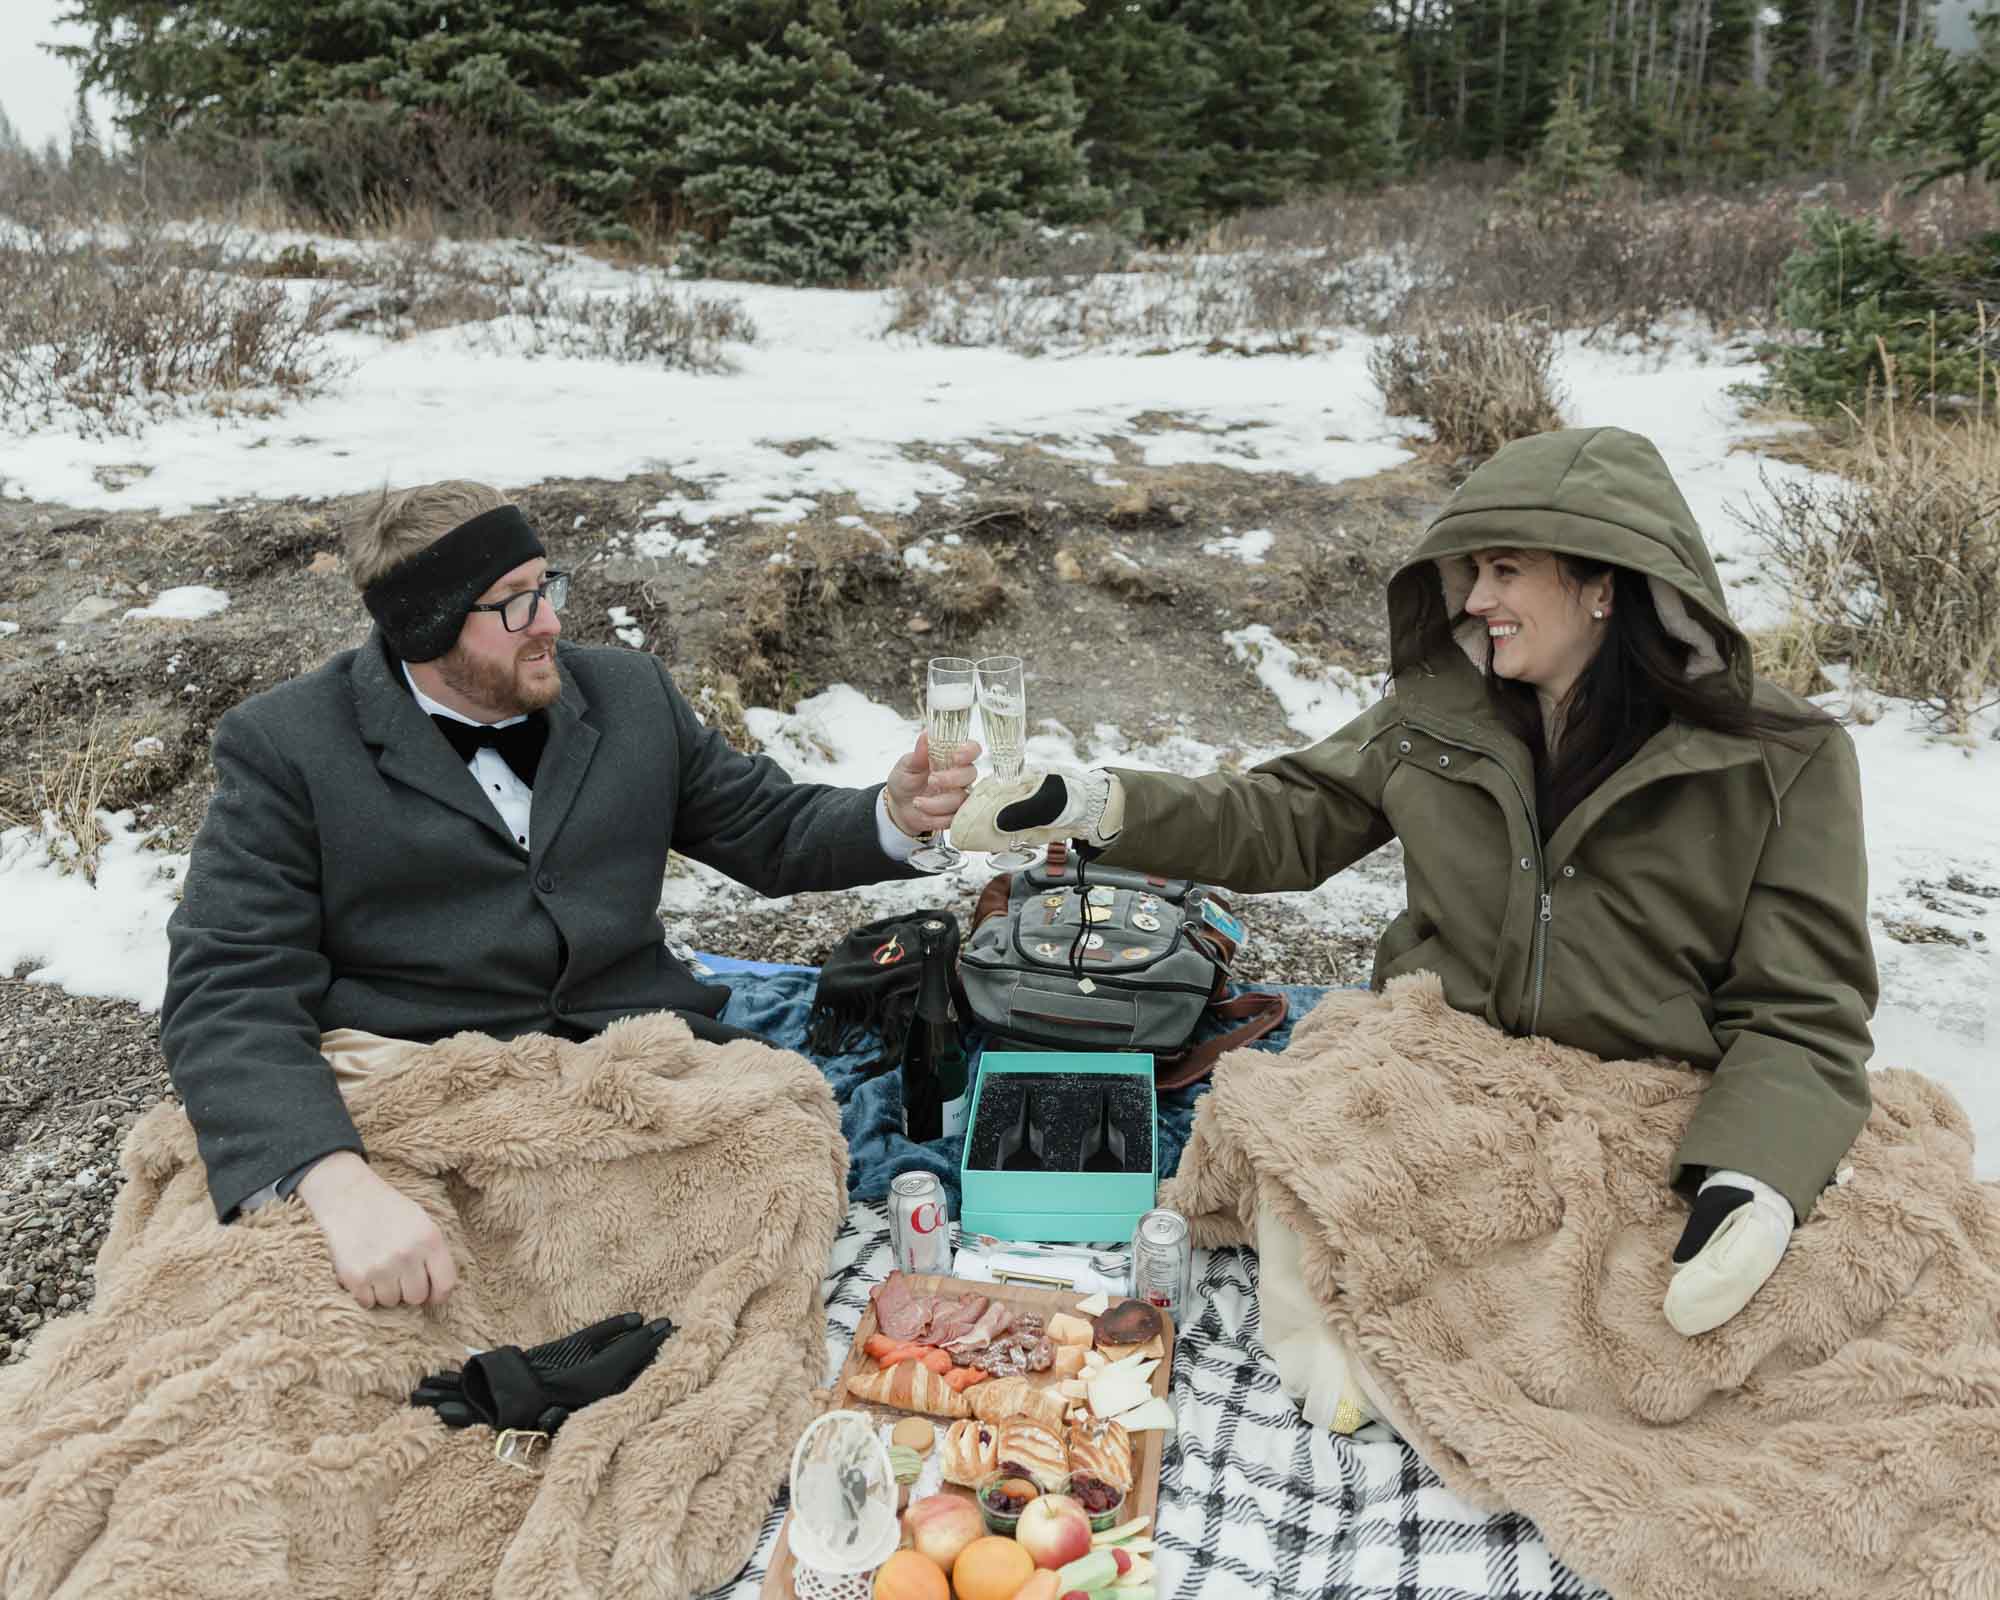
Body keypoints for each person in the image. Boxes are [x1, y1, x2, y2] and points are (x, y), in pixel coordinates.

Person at [955, 425, 1876, 1374]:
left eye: (1507, 571)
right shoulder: (1439, 718)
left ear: (1606, 583)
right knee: (1321, 1229)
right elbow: (1288, 815)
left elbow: (1805, 1009)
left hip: (1646, 1102)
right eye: (1474, 572)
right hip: (1440, 1070)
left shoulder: (1780, 762)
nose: (1477, 601)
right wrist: (1098, 804)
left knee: (1695, 1342)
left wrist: (1751, 1178)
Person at [161, 481, 978, 1310]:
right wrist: (338, 1183)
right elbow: (229, 985)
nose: (550, 621)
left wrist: (894, 812)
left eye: (546, 587)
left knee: (782, 1186)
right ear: (427, 624)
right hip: (433, 1087)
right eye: (514, 604)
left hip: (634, 1071)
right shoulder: (286, 747)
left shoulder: (629, 694)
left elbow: (765, 825)